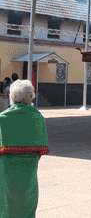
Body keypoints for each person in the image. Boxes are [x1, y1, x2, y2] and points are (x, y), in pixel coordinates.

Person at [0, 80, 49, 218]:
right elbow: (41, 149)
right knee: (27, 202)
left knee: (6, 204)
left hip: (6, 171)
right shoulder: (38, 117)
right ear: (31, 96)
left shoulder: (3, 118)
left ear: (12, 96)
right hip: (29, 170)